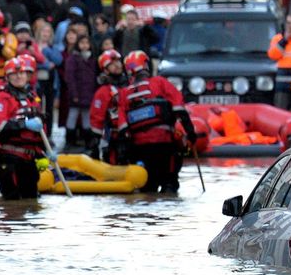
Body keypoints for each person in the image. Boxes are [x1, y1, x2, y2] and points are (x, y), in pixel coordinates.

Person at [114, 51, 195, 193]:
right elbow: (179, 109)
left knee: (148, 187)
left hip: (139, 150)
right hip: (164, 145)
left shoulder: (124, 93)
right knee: (169, 184)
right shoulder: (159, 83)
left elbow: (122, 127)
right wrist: (191, 133)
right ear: (146, 64)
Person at [0, 55, 47, 200]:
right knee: (12, 203)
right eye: (14, 74)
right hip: (10, 158)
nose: (19, 77)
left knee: (32, 200)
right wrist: (24, 124)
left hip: (29, 158)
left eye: (21, 73)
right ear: (7, 77)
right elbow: (0, 127)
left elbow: (40, 128)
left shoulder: (32, 97)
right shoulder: (2, 98)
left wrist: (43, 154)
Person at [90, 49, 128, 162]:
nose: (117, 65)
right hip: (114, 137)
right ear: (105, 70)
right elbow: (97, 118)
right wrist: (95, 142)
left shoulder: (129, 85)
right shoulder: (103, 92)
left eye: (118, 62)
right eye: (112, 64)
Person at [62, 33, 98, 148]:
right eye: (82, 43)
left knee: (87, 116)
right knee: (72, 115)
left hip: (89, 93)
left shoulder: (92, 59)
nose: (85, 45)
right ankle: (69, 140)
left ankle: (88, 139)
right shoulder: (73, 59)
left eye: (87, 43)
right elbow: (70, 78)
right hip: (77, 93)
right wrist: (74, 94)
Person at [32, 21, 60, 126]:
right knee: (37, 104)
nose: (45, 33)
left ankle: (48, 133)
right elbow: (33, 63)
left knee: (49, 107)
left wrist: (46, 51)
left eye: (48, 31)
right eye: (43, 30)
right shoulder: (33, 46)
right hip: (36, 80)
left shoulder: (53, 47)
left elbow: (58, 61)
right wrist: (46, 64)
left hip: (50, 81)